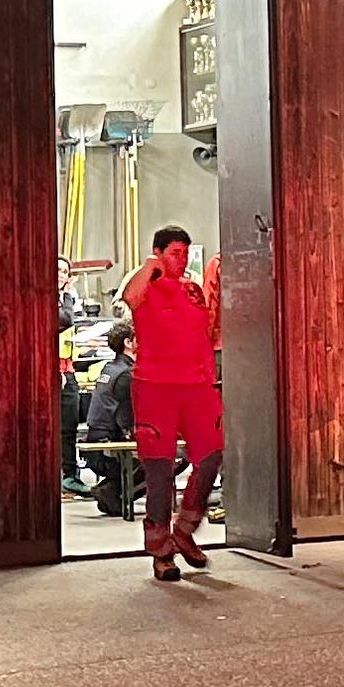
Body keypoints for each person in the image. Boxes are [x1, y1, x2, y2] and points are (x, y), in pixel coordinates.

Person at [121, 226, 221, 582]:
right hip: (154, 387)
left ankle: (185, 529)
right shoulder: (146, 285)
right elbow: (129, 297)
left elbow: (206, 330)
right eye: (176, 252)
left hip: (196, 385)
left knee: (212, 456)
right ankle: (161, 551)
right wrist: (151, 265)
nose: (183, 259)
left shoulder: (193, 290)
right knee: (160, 470)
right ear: (159, 252)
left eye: (186, 253)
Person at [80, 322, 139, 519]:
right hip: (107, 447)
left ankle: (112, 491)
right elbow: (126, 418)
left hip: (95, 438)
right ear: (128, 343)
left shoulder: (110, 368)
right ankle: (112, 491)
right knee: (166, 459)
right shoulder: (126, 374)